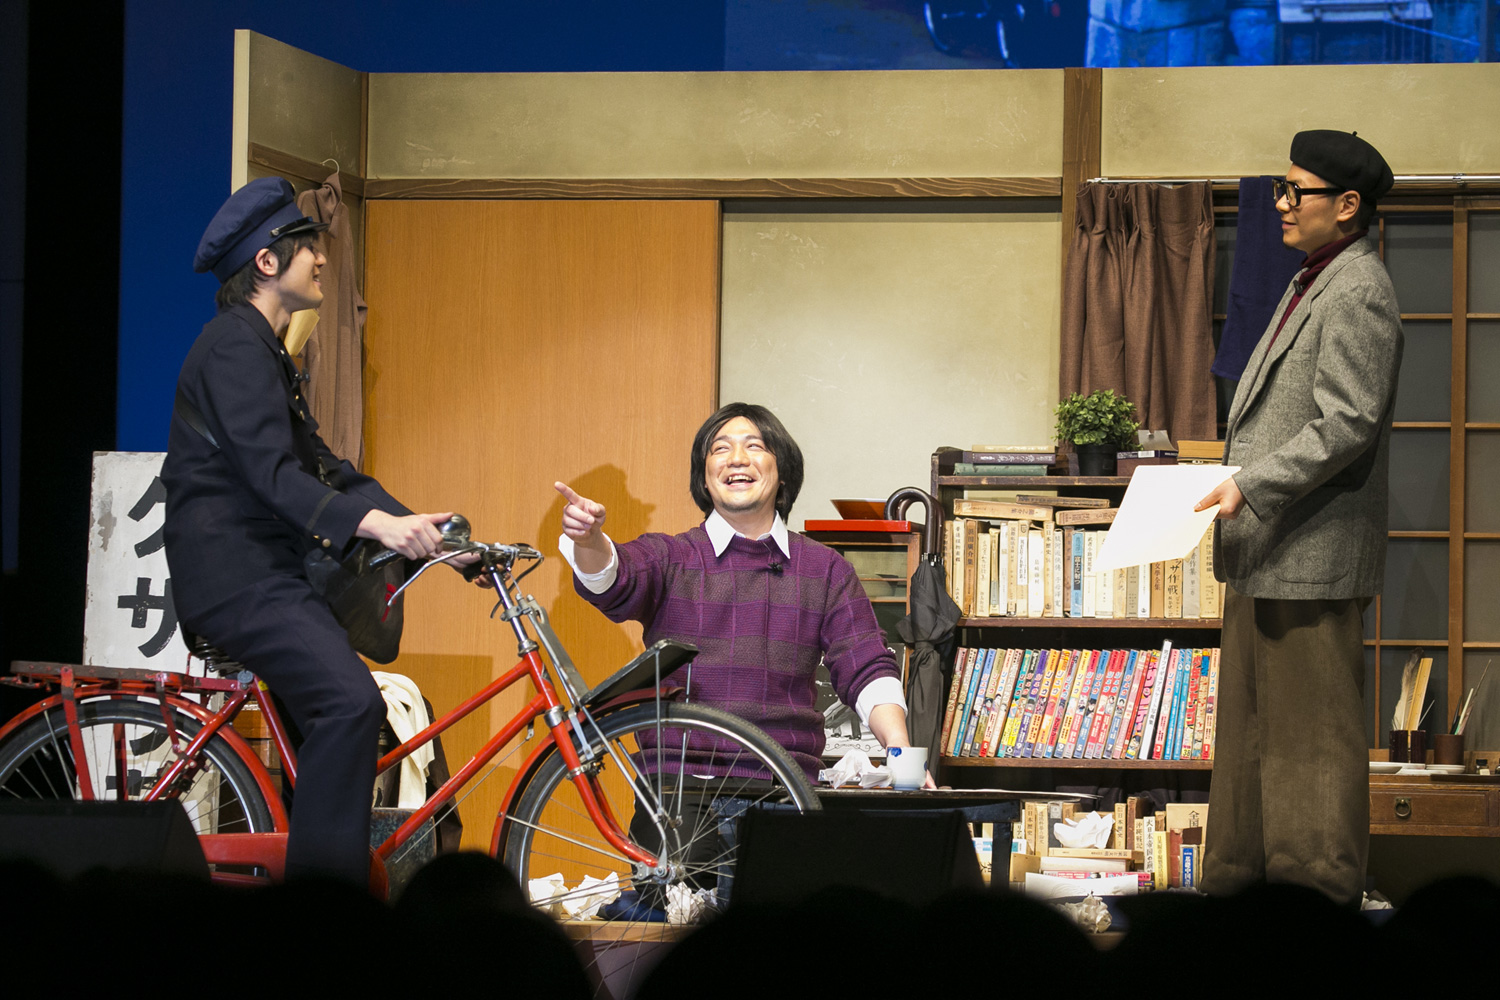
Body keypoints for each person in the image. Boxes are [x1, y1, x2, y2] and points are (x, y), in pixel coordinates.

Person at [163, 176, 468, 885]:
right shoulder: (233, 347)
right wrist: (380, 526)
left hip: (268, 575)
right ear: (267, 261)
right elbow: (272, 474)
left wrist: (431, 536)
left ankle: (319, 883)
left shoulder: (264, 349)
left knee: (335, 718)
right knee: (350, 703)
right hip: (240, 578)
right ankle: (324, 908)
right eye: (308, 246)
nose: (322, 257)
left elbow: (326, 469)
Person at [1194, 130, 1402, 906]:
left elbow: (1348, 421)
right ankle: (1240, 904)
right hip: (1271, 553)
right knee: (1249, 746)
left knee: (1310, 750)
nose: (1281, 204)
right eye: (1282, 189)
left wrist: (1252, 484)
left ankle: (1314, 918)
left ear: (1346, 205)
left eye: (1295, 192)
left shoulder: (1357, 288)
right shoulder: (1312, 279)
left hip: (1310, 554)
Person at [555, 402, 919, 779]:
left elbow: (866, 664)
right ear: (704, 477)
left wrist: (899, 749)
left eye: (755, 446)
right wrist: (590, 540)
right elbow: (613, 577)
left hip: (785, 782)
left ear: (783, 472)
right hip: (679, 786)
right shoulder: (671, 557)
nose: (737, 459)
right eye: (721, 448)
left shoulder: (825, 569)